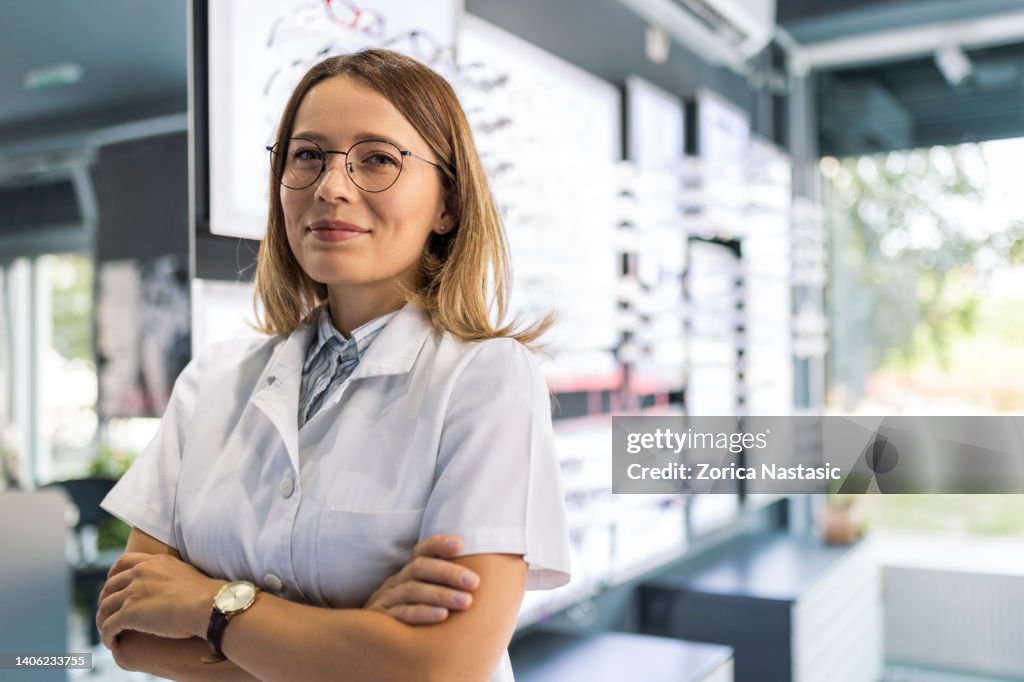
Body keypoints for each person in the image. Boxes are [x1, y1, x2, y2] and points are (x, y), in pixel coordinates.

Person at [96, 48, 571, 682]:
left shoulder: (487, 379)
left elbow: (442, 667)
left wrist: (205, 604)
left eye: (378, 159)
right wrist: (356, 645)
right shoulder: (212, 381)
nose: (331, 187)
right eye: (308, 155)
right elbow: (128, 633)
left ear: (448, 203)